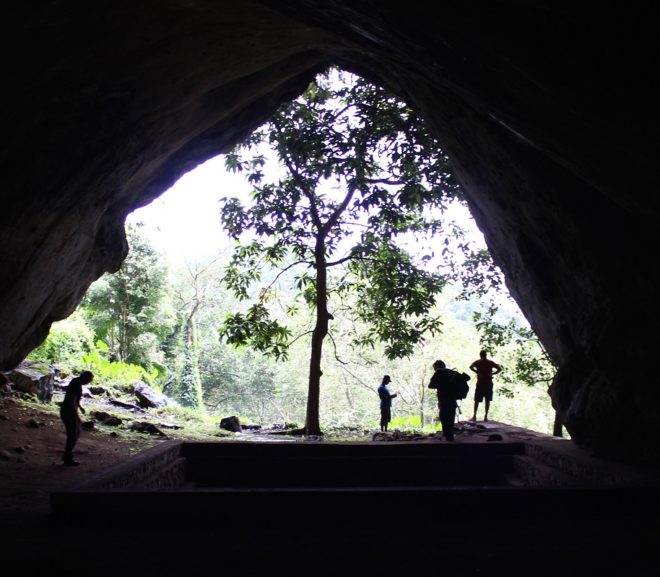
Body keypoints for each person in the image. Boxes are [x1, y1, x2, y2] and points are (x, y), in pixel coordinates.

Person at [60, 371, 94, 466]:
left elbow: (74, 399)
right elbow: (71, 400)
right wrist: (76, 415)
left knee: (74, 433)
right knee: (73, 435)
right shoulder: (76, 384)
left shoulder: (76, 382)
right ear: (84, 378)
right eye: (88, 381)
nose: (87, 383)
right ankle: (67, 458)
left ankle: (67, 456)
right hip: (68, 411)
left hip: (68, 410)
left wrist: (80, 407)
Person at [428, 360, 458, 441]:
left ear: (437, 367)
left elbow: (430, 385)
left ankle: (447, 435)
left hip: (443, 398)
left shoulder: (438, 372)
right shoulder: (451, 372)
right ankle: (449, 434)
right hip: (453, 398)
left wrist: (440, 385)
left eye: (434, 367)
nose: (434, 369)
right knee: (451, 416)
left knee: (444, 416)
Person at [469, 350, 502, 422]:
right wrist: (493, 374)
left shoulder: (478, 362)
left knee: (477, 400)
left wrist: (477, 372)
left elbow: (470, 367)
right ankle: (485, 416)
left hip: (480, 383)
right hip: (488, 383)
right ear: (486, 355)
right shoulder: (490, 362)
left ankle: (474, 416)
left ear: (480, 355)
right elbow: (499, 369)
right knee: (487, 400)